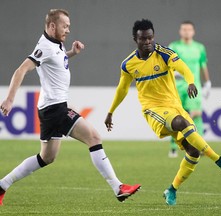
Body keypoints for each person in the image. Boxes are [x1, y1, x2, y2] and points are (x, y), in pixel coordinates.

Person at [0, 9, 140, 206]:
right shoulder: (45, 46)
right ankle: (118, 187)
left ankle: (2, 185)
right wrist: (9, 99)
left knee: (46, 157)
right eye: (64, 26)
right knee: (94, 137)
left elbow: (55, 62)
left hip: (51, 108)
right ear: (52, 26)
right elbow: (21, 70)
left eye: (69, 26)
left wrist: (72, 53)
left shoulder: (55, 45)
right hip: (56, 108)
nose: (67, 30)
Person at [104, 19, 221, 206]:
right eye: (143, 39)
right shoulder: (128, 64)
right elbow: (122, 89)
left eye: (150, 38)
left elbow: (184, 68)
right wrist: (111, 111)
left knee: (194, 152)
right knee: (182, 124)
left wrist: (191, 81)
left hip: (174, 106)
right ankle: (219, 160)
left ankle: (171, 190)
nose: (148, 42)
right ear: (135, 39)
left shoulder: (164, 53)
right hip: (153, 110)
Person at [168, 21, 211, 158]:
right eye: (184, 29)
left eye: (189, 29)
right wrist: (173, 73)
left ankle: (201, 146)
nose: (186, 32)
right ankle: (174, 147)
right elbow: (167, 64)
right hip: (177, 86)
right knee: (177, 116)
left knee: (196, 113)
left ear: (193, 31)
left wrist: (208, 82)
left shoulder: (199, 48)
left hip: (194, 85)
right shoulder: (174, 46)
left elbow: (203, 65)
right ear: (180, 31)